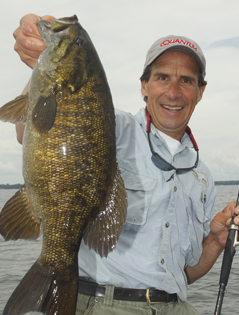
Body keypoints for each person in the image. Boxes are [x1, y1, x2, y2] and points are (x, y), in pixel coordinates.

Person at [13, 14, 239, 315]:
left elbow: (181, 275)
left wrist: (215, 241)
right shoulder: (109, 125)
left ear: (200, 91)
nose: (173, 92)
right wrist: (40, 61)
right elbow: (32, 131)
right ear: (144, 86)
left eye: (186, 80)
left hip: (176, 307)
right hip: (103, 304)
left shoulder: (203, 178)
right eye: (162, 77)